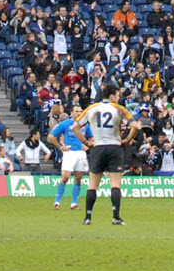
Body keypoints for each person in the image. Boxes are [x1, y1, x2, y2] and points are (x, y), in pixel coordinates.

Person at [81, 84, 133, 225]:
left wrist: (86, 142)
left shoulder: (91, 108)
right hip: (115, 147)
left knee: (93, 185)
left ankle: (87, 217)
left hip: (97, 147)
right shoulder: (118, 109)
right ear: (111, 96)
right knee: (115, 184)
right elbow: (135, 125)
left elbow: (75, 126)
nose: (118, 98)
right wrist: (127, 140)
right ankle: (116, 216)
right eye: (117, 96)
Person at [47, 105, 87, 210]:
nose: (79, 113)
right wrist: (61, 147)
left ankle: (74, 203)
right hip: (69, 153)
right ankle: (57, 202)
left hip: (81, 153)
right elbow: (51, 136)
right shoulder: (65, 124)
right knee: (65, 177)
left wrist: (88, 145)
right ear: (71, 113)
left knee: (78, 178)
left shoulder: (85, 124)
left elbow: (91, 137)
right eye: (77, 111)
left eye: (80, 111)